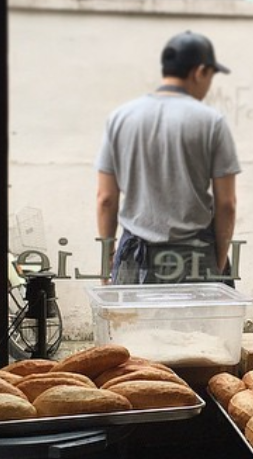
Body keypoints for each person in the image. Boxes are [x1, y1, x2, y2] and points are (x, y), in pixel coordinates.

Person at [96, 30, 240, 284]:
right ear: (200, 72)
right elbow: (226, 204)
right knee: (200, 324)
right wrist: (217, 263)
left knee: (137, 325)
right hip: (194, 257)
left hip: (135, 257)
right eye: (210, 76)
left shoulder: (120, 118)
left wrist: (108, 257)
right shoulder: (212, 122)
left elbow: (106, 198)